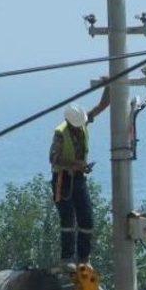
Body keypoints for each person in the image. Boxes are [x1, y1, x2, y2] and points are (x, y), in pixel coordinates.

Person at [49, 87, 110, 265]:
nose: (78, 129)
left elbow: (103, 105)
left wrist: (109, 85)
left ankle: (83, 258)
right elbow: (53, 158)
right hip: (63, 179)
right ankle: (67, 258)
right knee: (67, 219)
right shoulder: (60, 133)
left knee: (87, 219)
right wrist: (77, 165)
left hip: (78, 178)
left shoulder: (82, 122)